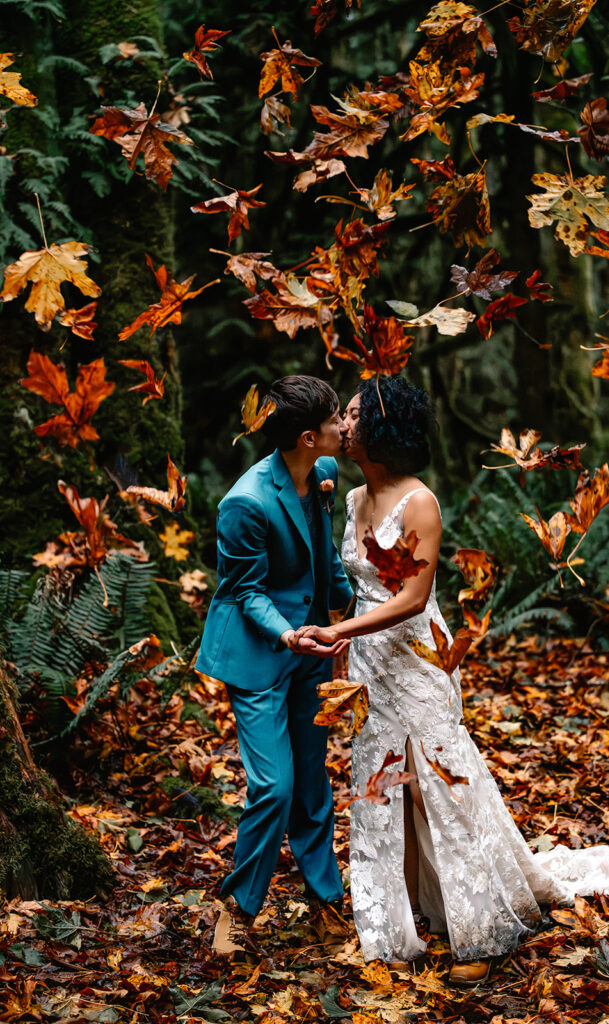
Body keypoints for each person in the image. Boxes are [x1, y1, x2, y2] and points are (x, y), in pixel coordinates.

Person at [297, 376, 609, 984]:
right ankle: (396, 922)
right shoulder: (347, 499)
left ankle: (479, 930)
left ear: (378, 428)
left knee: (435, 784)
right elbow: (359, 588)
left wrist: (345, 632)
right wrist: (334, 632)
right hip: (371, 663)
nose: (342, 425)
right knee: (381, 784)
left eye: (350, 415)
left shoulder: (418, 501)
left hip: (417, 656)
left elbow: (411, 596)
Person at [195, 375, 353, 957]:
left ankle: (324, 899)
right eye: (338, 419)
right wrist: (288, 636)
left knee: (313, 781)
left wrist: (351, 619)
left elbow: (326, 553)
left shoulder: (325, 477)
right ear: (309, 436)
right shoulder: (245, 502)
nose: (346, 426)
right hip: (262, 654)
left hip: (313, 649)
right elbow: (244, 590)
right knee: (275, 787)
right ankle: (237, 909)